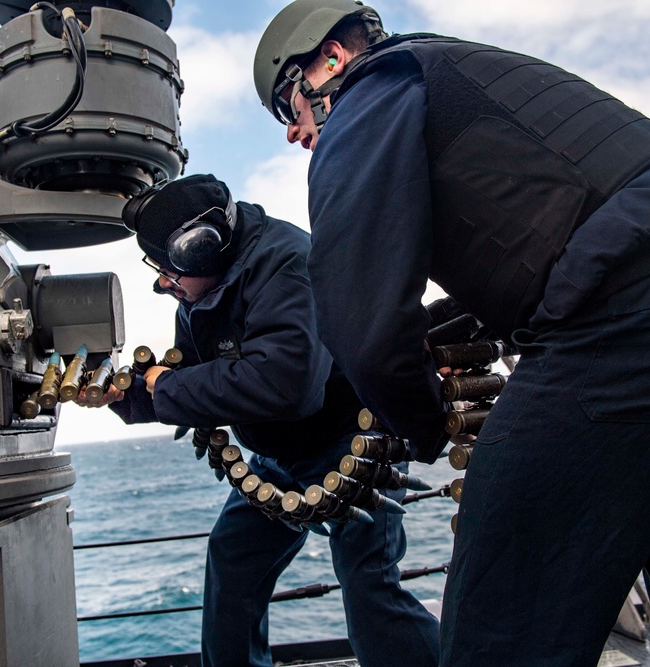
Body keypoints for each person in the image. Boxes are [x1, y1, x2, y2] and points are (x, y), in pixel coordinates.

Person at [252, 2, 650, 665]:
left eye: (288, 105)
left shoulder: (373, 90)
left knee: (500, 638)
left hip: (627, 339)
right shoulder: (456, 70)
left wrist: (423, 425)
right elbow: (563, 217)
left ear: (329, 61)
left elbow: (356, 307)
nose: (293, 131)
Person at [75, 173, 440, 667]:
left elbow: (289, 385)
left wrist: (167, 386)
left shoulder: (287, 262)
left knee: (369, 589)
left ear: (201, 250)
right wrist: (126, 395)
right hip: (275, 458)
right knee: (232, 566)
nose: (162, 283)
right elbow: (197, 374)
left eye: (168, 270)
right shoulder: (199, 285)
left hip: (353, 448)